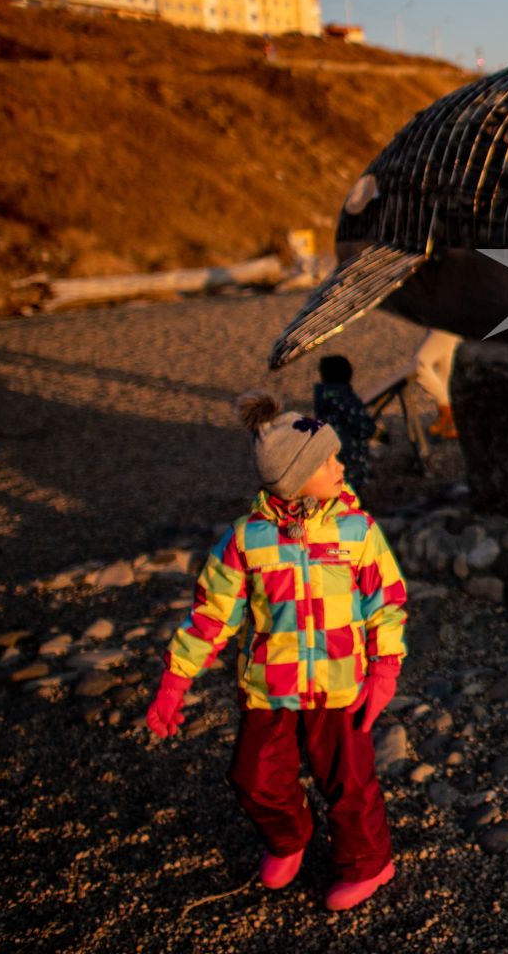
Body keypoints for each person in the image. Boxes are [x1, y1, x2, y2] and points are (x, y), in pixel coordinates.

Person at [144, 391, 409, 910]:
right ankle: (289, 835)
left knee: (350, 783)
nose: (341, 464)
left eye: (336, 455)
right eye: (327, 459)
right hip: (269, 687)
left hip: (341, 686)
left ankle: (368, 864)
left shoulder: (357, 531)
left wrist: (385, 668)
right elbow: (211, 613)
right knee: (254, 777)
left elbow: (387, 601)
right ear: (290, 477)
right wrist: (175, 681)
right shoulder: (247, 540)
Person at [313, 355, 377, 491]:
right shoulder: (347, 399)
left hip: (330, 457)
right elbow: (362, 426)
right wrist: (377, 432)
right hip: (350, 459)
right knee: (351, 495)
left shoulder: (322, 397)